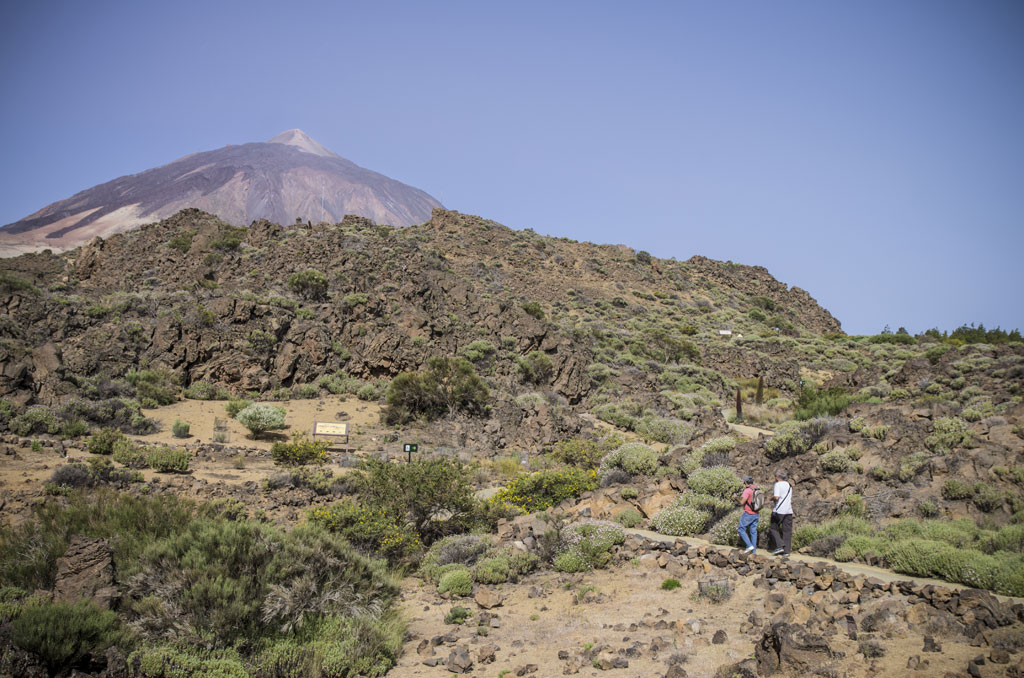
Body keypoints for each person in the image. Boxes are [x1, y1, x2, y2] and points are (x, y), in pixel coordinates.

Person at [734, 476, 761, 554]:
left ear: (746, 482)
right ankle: (754, 552)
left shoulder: (747, 490)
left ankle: (749, 546)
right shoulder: (757, 489)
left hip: (748, 513)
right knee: (753, 532)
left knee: (741, 529)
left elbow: (742, 502)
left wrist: (736, 498)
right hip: (756, 513)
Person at [769, 470, 793, 556]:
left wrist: (770, 499)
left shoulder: (778, 484)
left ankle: (780, 545)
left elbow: (776, 497)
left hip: (779, 511)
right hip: (789, 511)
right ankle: (786, 552)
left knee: (773, 528)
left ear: (777, 477)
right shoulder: (789, 485)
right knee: (787, 531)